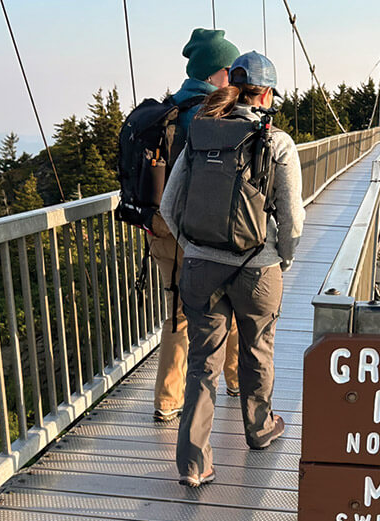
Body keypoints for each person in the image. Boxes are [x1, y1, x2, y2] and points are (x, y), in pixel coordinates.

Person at [160, 51, 304, 487]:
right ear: (267, 93)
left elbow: (169, 206)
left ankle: (192, 463)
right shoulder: (276, 141)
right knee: (257, 349)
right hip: (257, 267)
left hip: (201, 267)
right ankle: (259, 430)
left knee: (203, 362)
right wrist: (284, 257)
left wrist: (192, 246)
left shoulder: (200, 134)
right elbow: (292, 219)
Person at [150, 28, 242, 423]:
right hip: (203, 230)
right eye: (232, 71)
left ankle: (167, 400)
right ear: (220, 72)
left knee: (178, 313)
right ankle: (237, 380)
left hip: (161, 228)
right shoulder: (214, 112)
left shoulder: (167, 109)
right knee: (231, 304)